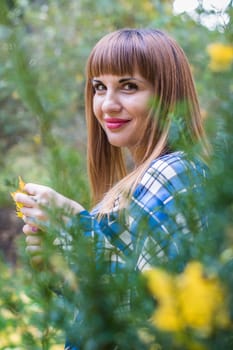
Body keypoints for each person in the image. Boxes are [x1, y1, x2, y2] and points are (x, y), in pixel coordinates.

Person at [14, 28, 209, 348]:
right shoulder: (143, 180)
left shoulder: (173, 173)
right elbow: (109, 304)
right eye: (99, 87)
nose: (107, 104)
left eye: (128, 86)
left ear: (168, 97)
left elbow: (152, 316)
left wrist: (75, 224)